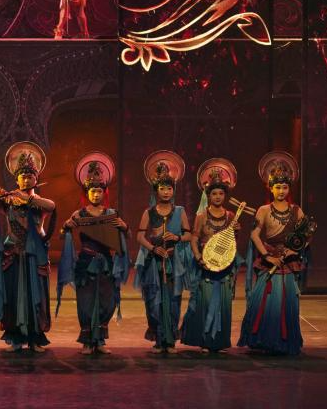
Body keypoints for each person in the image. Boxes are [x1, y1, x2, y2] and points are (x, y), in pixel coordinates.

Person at [0, 141, 55, 353]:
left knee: (35, 296)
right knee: (13, 295)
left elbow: (52, 206)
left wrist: (27, 200)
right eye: (23, 176)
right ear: (16, 179)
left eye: (30, 176)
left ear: (36, 179)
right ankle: (16, 339)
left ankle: (35, 338)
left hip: (35, 255)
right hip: (13, 253)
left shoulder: (39, 201)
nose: (26, 179)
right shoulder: (9, 200)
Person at [239, 151, 311, 356]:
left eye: (284, 187)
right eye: (277, 187)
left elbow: (307, 235)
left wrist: (294, 250)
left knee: (288, 303)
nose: (281, 191)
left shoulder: (296, 211)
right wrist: (267, 256)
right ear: (270, 187)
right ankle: (263, 340)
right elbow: (254, 235)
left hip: (288, 262)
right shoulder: (263, 210)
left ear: (289, 188)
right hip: (270, 262)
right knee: (263, 301)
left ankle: (285, 342)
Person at [57, 153, 129, 355]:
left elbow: (126, 235)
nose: (96, 195)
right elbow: (63, 234)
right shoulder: (79, 214)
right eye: (92, 191)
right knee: (86, 301)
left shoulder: (111, 214)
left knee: (107, 300)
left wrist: (124, 227)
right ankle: (88, 342)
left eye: (99, 191)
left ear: (104, 193)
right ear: (87, 193)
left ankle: (101, 341)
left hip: (106, 263)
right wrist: (65, 226)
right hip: (86, 263)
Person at [134, 150, 193, 354]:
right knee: (154, 301)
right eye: (162, 188)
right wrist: (153, 248)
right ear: (156, 190)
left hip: (173, 262)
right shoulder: (149, 212)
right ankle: (159, 339)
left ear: (173, 190)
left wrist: (177, 238)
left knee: (173, 301)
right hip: (154, 262)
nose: (166, 192)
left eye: (169, 188)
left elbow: (189, 235)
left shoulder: (180, 211)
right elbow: (140, 236)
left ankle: (170, 340)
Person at [180, 158, 241, 353]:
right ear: (208, 195)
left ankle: (219, 341)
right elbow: (194, 238)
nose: (217, 197)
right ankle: (205, 340)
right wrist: (199, 258)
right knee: (204, 303)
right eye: (214, 193)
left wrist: (236, 232)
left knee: (223, 303)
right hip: (205, 266)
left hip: (224, 267)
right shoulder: (202, 216)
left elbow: (232, 243)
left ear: (225, 195)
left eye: (221, 193)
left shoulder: (231, 216)